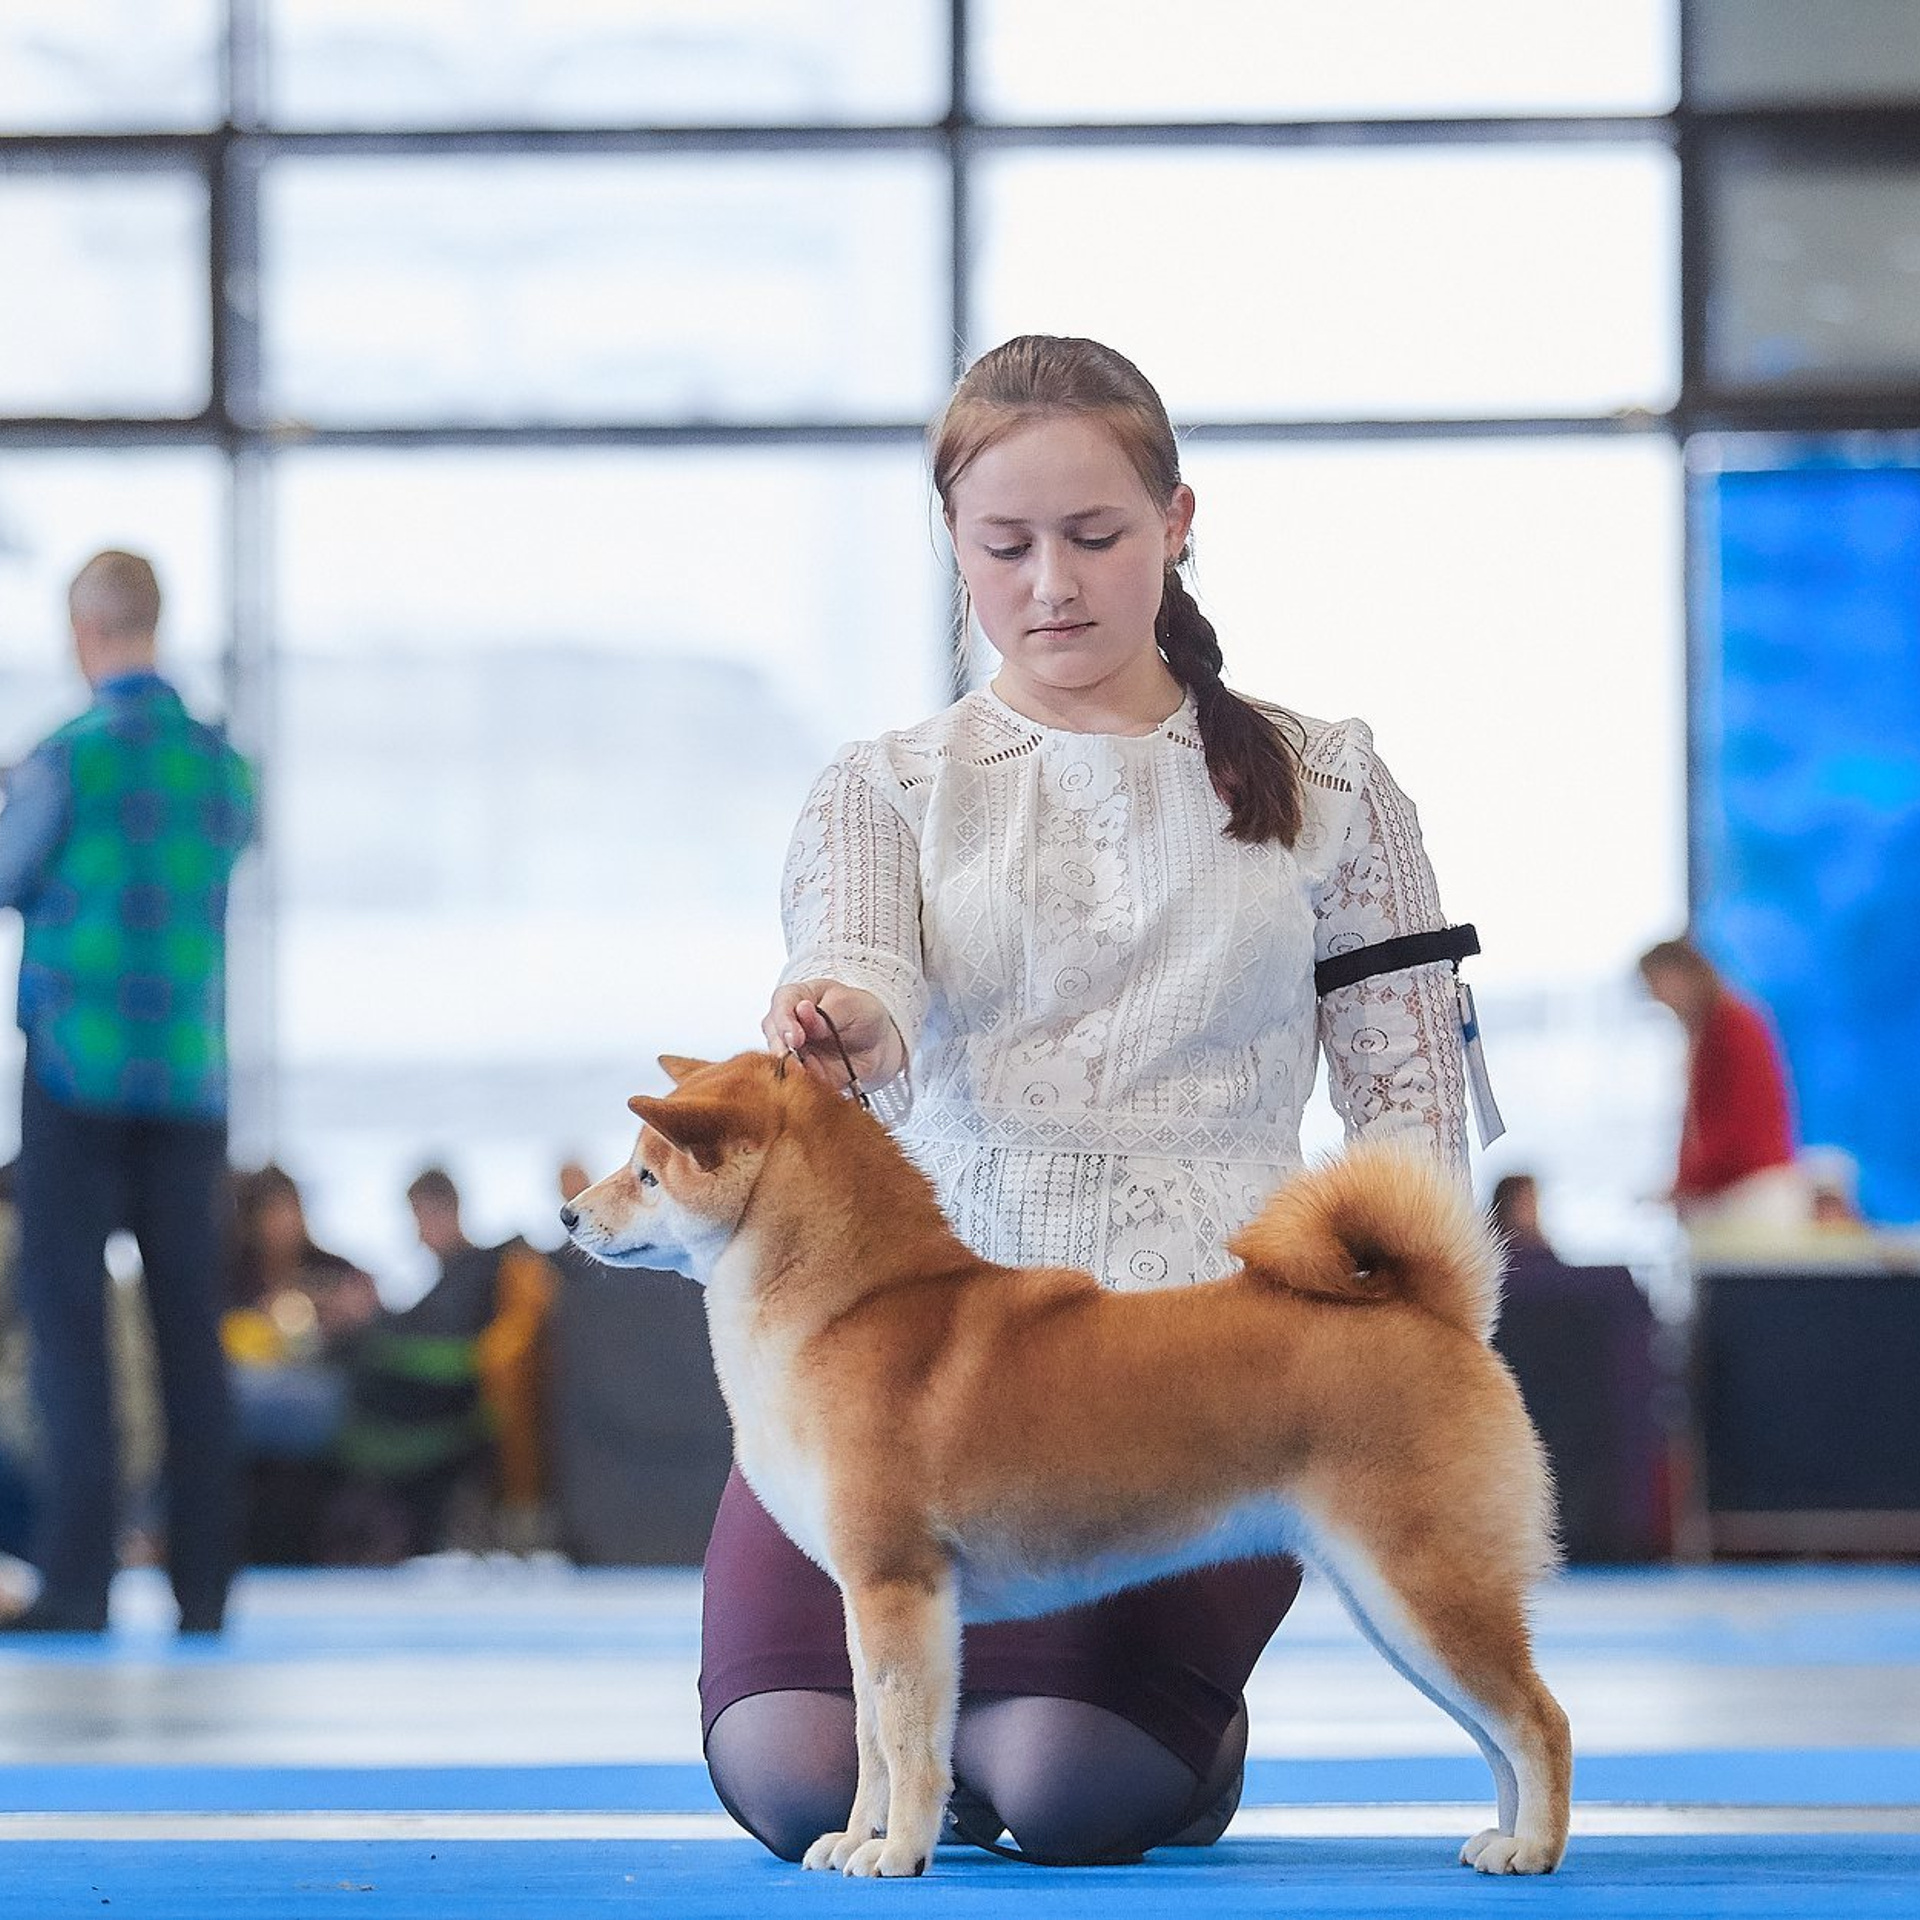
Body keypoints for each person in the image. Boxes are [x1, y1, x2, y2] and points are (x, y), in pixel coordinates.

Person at [705, 335, 1479, 1866]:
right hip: (908, 1365)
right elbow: (855, 962)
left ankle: (1177, 1740)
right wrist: (844, 1012)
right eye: (1005, 546)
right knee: (793, 1780)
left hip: (1202, 1362)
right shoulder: (885, 783)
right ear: (953, 547)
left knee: (1066, 1791)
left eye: (1095, 536)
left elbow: (1411, 1107)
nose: (1051, 581)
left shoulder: (1333, 782)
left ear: (1178, 523)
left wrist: (1411, 1378)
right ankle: (1016, 1728)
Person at [0, 549, 254, 1633]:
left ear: (82, 630)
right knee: (189, 1327)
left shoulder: (66, 757)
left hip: (76, 1071)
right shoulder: (224, 764)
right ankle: (204, 1584)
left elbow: (9, 875)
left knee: (71, 1333)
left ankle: (80, 1579)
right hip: (189, 1079)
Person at [327, 1166, 555, 1561]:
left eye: (419, 1218)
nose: (417, 1234)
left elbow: (448, 1354)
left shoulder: (477, 1273)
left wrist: (368, 1328)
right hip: (427, 1410)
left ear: (441, 1211)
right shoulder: (456, 1275)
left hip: (442, 1421)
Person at [223, 1165, 381, 1563]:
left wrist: (347, 1315)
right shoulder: (230, 1277)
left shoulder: (336, 1271)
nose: (284, 1223)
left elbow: (375, 1321)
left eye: (290, 1210)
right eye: (273, 1213)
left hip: (322, 1398)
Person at [1636, 937, 1804, 1233]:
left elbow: (1739, 1126)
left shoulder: (1733, 1025)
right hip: (1728, 1196)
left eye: (1656, 984)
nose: (1656, 996)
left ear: (1681, 973)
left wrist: (1687, 1183)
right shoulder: (1706, 1030)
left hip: (1751, 1195)